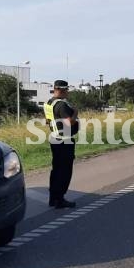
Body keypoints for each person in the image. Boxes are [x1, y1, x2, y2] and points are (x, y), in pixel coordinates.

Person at [44, 80, 79, 208]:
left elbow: (47, 121)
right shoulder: (62, 105)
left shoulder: (49, 102)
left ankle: (53, 198)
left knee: (56, 169)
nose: (68, 93)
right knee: (65, 171)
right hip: (64, 141)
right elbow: (69, 122)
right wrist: (75, 112)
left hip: (54, 138)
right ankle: (60, 199)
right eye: (67, 90)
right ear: (63, 90)